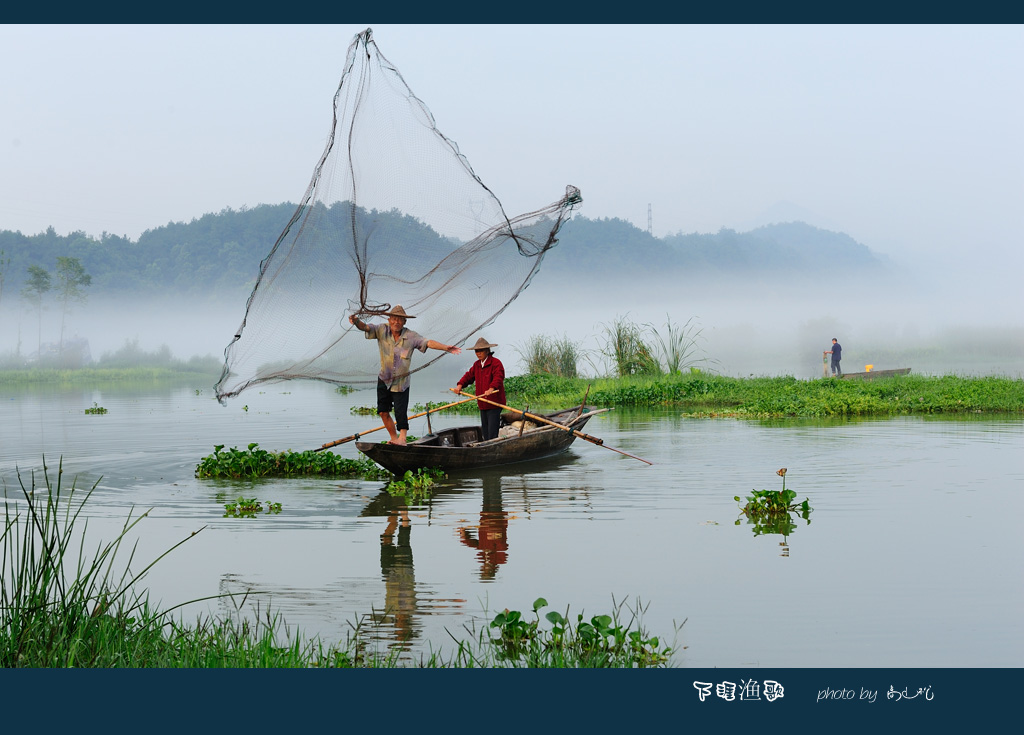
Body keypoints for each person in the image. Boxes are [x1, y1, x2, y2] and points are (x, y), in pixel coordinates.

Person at [349, 305, 461, 445]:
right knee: (383, 411)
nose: (396, 322)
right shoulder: (381, 329)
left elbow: (428, 342)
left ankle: (402, 439)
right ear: (389, 320)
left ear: (404, 322)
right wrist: (356, 321)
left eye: (400, 320)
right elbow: (365, 327)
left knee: (400, 412)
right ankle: (394, 438)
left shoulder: (411, 336)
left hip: (402, 381)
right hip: (384, 378)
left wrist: (446, 347)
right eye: (394, 319)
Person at [455, 337, 506, 441]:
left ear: (487, 351)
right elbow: (469, 376)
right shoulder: (477, 365)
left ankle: (492, 445)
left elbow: (498, 377)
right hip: (482, 403)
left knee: (492, 432)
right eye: (476, 351)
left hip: (494, 403)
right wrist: (460, 385)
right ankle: (487, 444)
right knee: (485, 431)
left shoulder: (496, 363)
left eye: (481, 350)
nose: (478, 353)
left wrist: (491, 388)